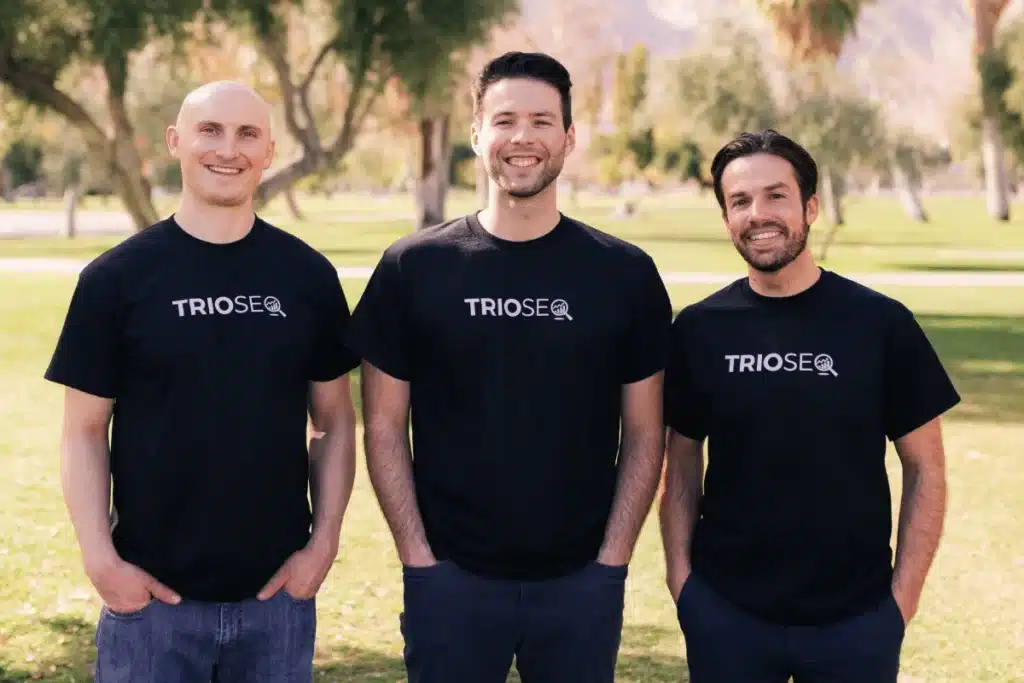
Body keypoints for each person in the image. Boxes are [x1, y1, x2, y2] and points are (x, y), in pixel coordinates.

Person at [345, 51, 672, 683]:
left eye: (542, 121)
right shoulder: (413, 268)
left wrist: (612, 562)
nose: (523, 137)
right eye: (504, 120)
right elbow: (382, 427)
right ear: (477, 135)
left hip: (581, 583)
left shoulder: (624, 274)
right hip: (451, 582)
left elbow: (646, 431)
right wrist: (419, 559)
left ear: (569, 138)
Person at [44, 81, 359, 682]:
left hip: (277, 604)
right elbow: (83, 431)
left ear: (269, 150)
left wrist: (324, 545)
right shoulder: (115, 279)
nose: (228, 149)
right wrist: (100, 560)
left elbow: (336, 421)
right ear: (175, 142)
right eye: (209, 130)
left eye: (248, 134)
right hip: (150, 603)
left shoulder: (308, 277)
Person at [658, 129, 960, 683]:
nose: (758, 214)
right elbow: (681, 458)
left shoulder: (880, 324)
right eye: (740, 201)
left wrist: (901, 602)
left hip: (856, 620)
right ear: (726, 217)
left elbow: (926, 466)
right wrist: (683, 581)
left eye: (776, 195)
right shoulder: (699, 329)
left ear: (811, 207)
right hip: (727, 616)